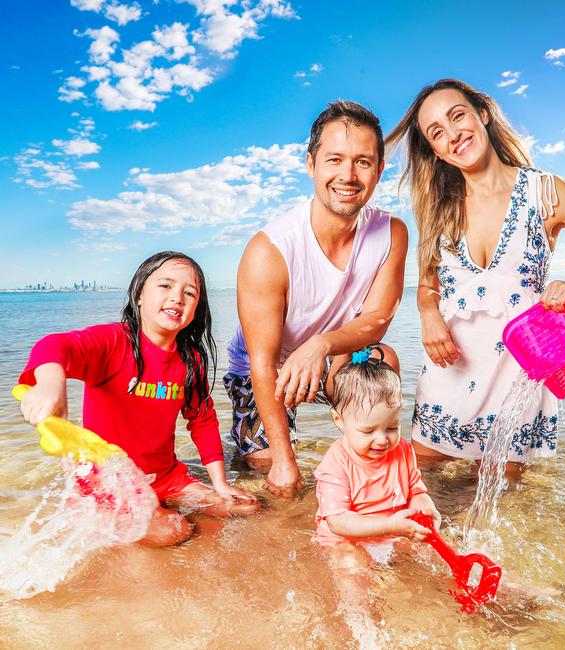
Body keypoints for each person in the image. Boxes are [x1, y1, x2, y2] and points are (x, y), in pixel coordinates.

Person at [385, 78, 565, 472]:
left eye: (458, 116)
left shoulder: (547, 192)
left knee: (501, 513)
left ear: (483, 115)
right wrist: (428, 313)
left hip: (519, 378)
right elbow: (428, 285)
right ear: (435, 152)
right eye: (437, 133)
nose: (453, 134)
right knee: (424, 491)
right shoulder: (437, 207)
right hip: (447, 374)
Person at [225, 101, 408, 497]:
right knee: (269, 471)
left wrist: (323, 346)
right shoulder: (269, 249)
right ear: (311, 164)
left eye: (362, 162)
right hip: (268, 367)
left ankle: (364, 477)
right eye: (335, 160)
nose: (347, 175)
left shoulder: (392, 232)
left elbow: (377, 319)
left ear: (378, 170)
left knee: (384, 361)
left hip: (332, 352)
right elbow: (261, 361)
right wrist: (284, 459)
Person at [18, 251, 260, 547]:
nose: (177, 297)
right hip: (109, 481)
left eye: (189, 292)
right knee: (175, 531)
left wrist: (220, 484)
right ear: (140, 295)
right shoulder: (113, 342)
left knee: (245, 506)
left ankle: (159, 517)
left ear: (196, 309)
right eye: (165, 286)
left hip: (165, 476)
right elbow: (55, 345)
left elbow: (202, 420)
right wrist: (50, 383)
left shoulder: (191, 359)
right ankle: (108, 522)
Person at [313, 346, 440, 547]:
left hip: (394, 530)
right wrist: (389, 525)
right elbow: (338, 522)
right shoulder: (336, 462)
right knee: (351, 566)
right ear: (339, 419)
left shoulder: (403, 451)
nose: (382, 440)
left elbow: (416, 492)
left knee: (429, 553)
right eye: (368, 431)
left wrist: (427, 511)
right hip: (346, 538)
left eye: (392, 427)